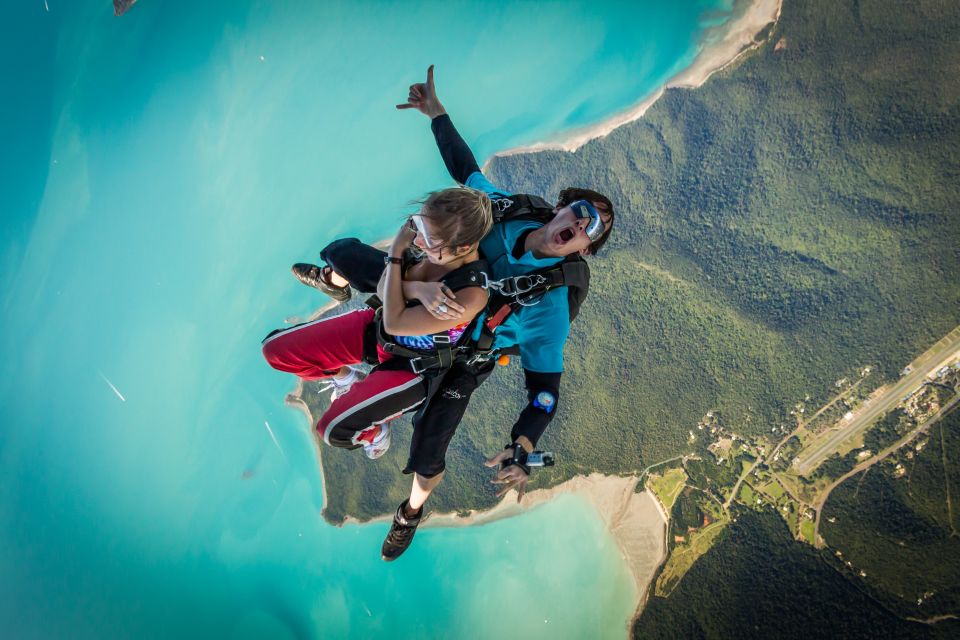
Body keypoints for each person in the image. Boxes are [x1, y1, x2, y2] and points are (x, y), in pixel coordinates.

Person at [293, 66, 616, 561]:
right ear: (560, 207)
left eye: (589, 229)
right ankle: (337, 286)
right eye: (579, 212)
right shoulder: (507, 209)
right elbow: (464, 168)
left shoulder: (550, 305)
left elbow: (546, 391)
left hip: (463, 354)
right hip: (424, 290)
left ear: (585, 250)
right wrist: (436, 112)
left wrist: (524, 445)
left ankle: (410, 514)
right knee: (340, 251)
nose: (577, 225)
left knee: (429, 447)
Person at [262, 187, 492, 464]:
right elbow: (384, 292)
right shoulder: (436, 252)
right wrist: (417, 288)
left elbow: (396, 320)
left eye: (429, 239)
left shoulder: (470, 294)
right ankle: (347, 377)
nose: (418, 241)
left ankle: (376, 433)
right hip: (378, 330)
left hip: (412, 368)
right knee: (275, 350)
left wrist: (397, 250)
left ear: (464, 247)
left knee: (333, 431)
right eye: (417, 227)